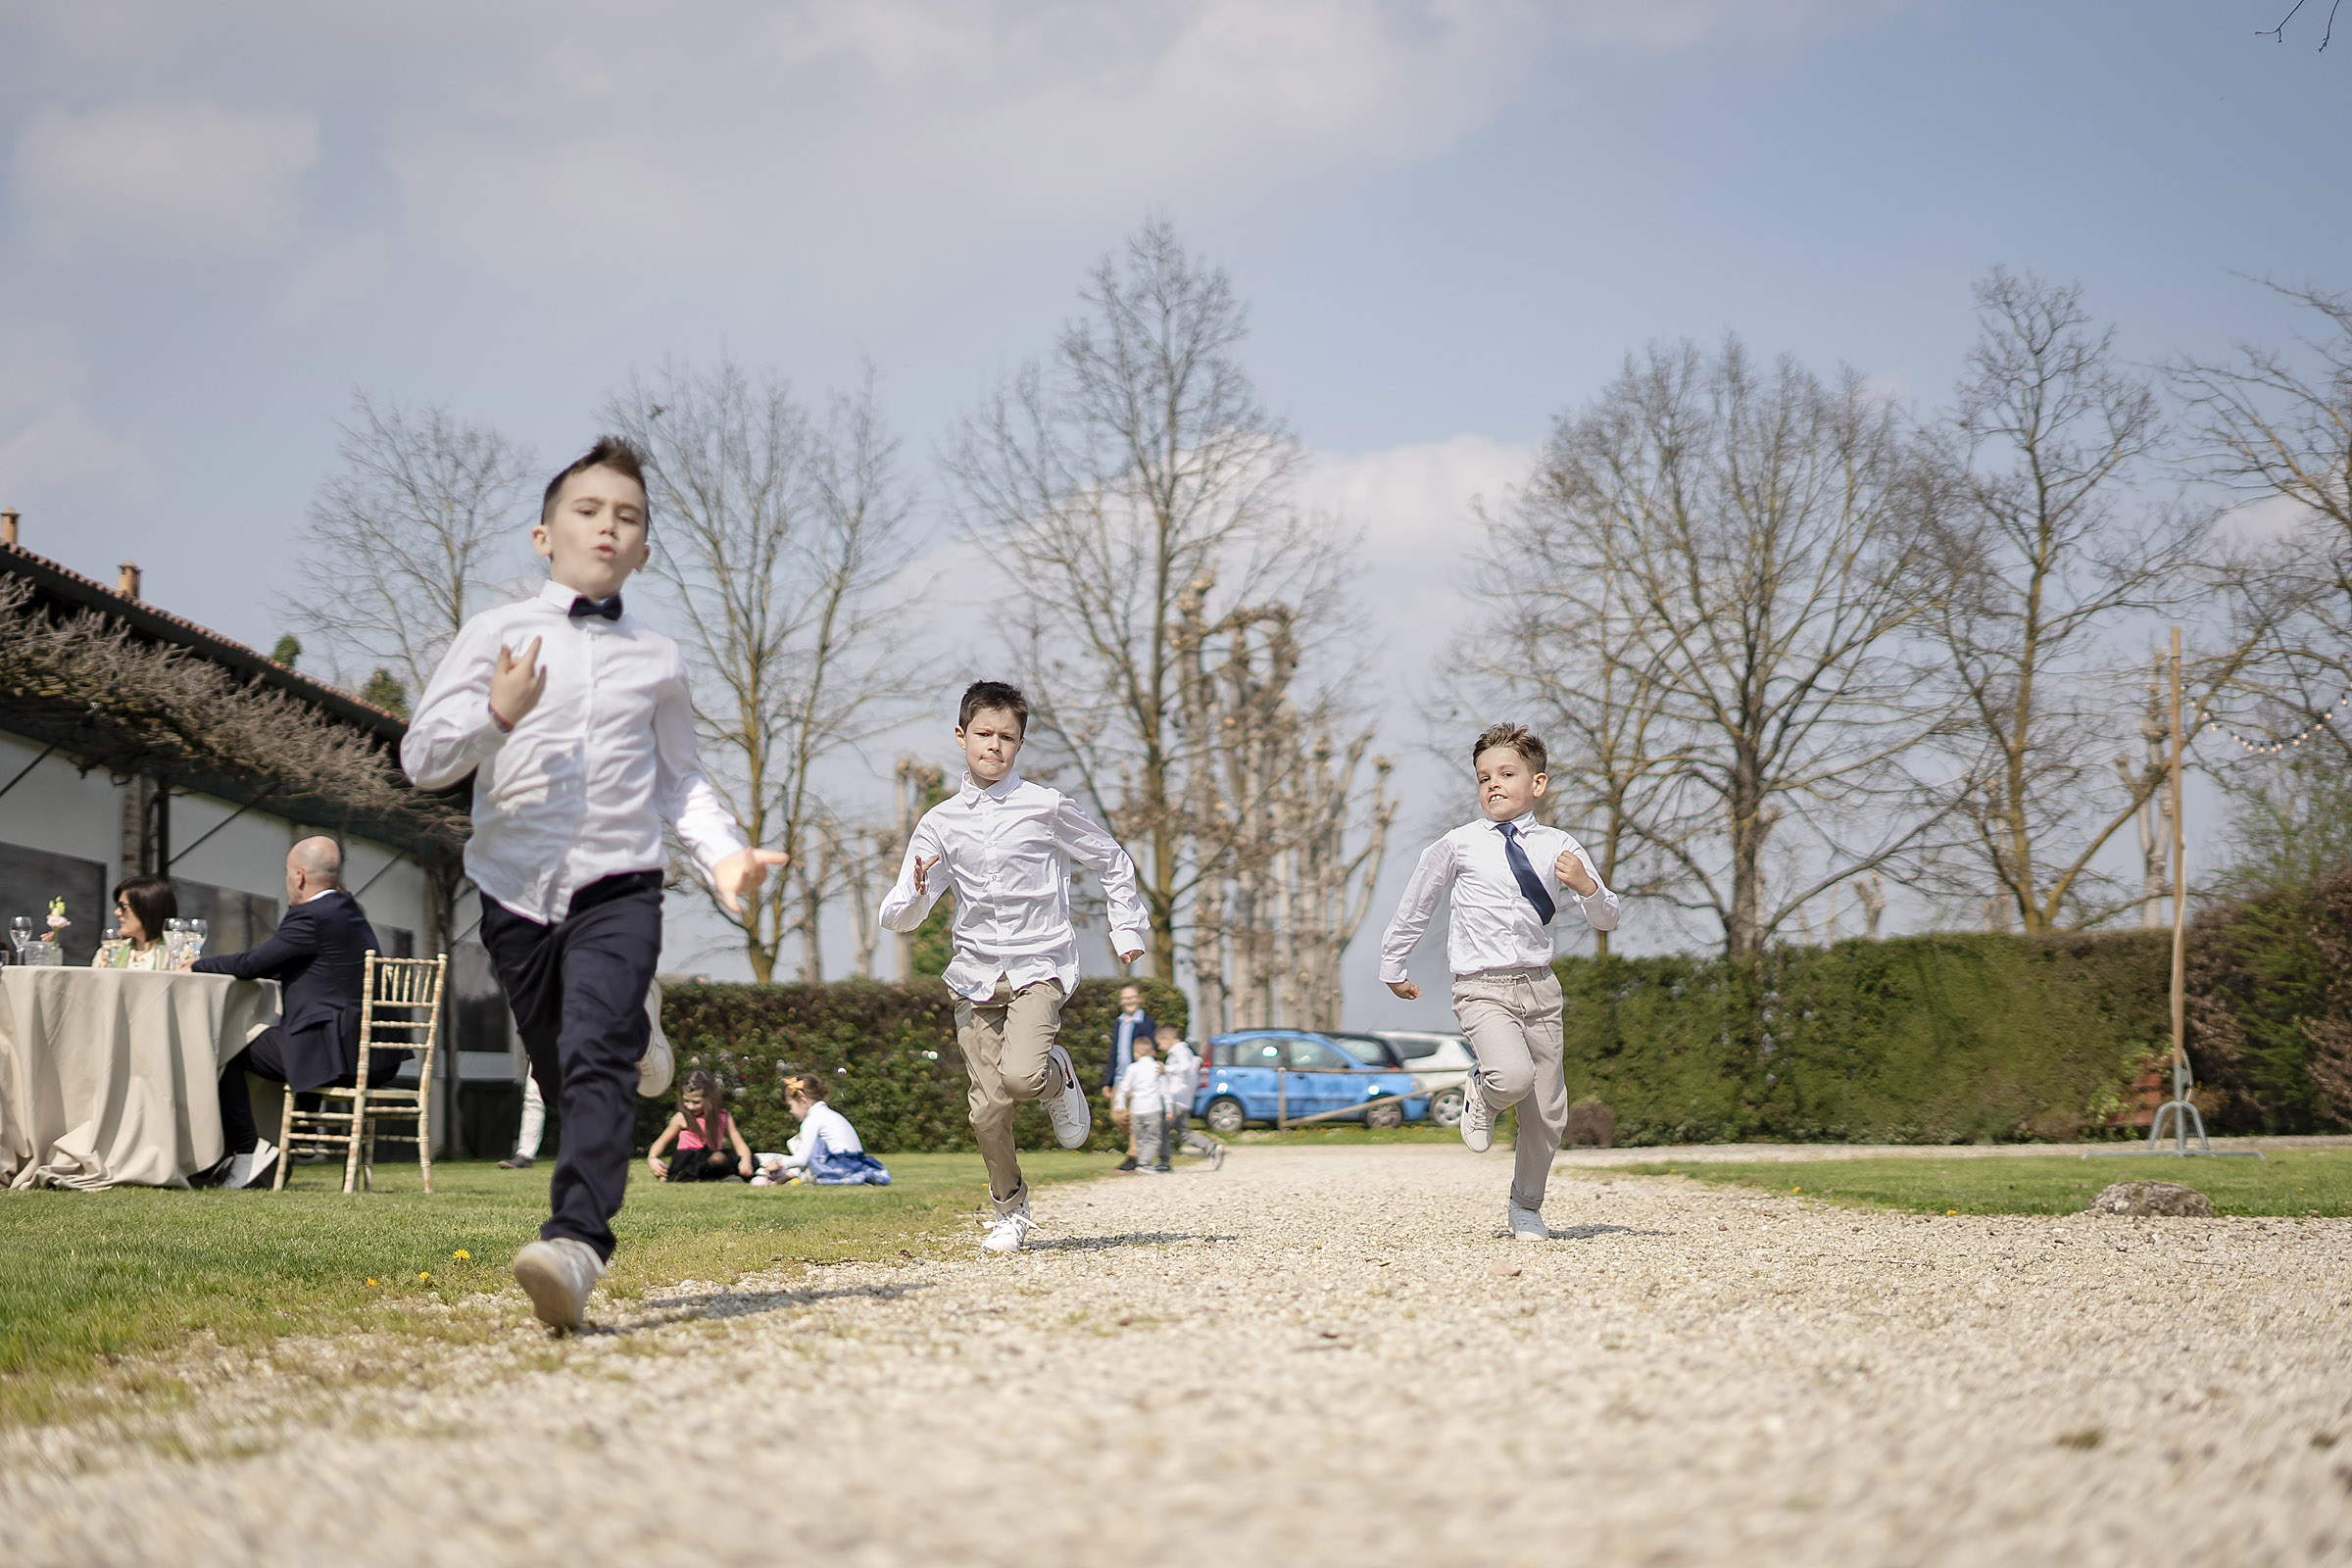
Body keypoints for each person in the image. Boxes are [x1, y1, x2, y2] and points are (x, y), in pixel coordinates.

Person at [403, 437, 787, 1334]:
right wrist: (495, 717)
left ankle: (576, 1245)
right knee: (566, 1069)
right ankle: (638, 1036)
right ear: (545, 536)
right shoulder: (491, 636)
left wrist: (724, 854)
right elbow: (421, 758)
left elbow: (680, 781)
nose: (607, 527)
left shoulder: (659, 658)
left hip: (621, 885)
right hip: (514, 894)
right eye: (588, 510)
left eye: (628, 517)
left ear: (644, 549)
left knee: (596, 1056)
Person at [879, 679, 1150, 1254]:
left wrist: (1126, 927)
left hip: (1038, 965)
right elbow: (902, 917)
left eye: (1008, 737)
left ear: (1020, 745)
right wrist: (915, 895)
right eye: (984, 735)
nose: (994, 747)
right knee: (986, 1111)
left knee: (1022, 1078)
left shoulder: (1046, 806)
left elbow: (1112, 859)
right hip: (974, 976)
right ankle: (1011, 1209)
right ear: (962, 736)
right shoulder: (940, 822)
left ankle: (1058, 1078)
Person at [1377, 723, 1620, 1241]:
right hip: (1481, 987)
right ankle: (1483, 1091)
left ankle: (1525, 1207)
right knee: (1510, 1077)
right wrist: (1393, 966)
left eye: (1507, 774)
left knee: (1548, 1115)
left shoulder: (1560, 845)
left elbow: (1606, 918)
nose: (1493, 784)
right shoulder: (1458, 844)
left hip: (1540, 988)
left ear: (1538, 784)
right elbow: (1416, 904)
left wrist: (1588, 887)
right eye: (1484, 777)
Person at [189, 838, 383, 1192]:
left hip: (333, 1052)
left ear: (298, 876)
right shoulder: (349, 911)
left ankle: (249, 1151)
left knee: (227, 1047)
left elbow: (253, 965)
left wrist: (197, 964)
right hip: (374, 1053)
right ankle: (302, 1134)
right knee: (274, 1036)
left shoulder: (311, 916)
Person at [753, 1073, 890, 1186]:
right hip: (855, 1164)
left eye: (791, 1106)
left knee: (795, 1148)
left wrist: (777, 1164)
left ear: (803, 1101)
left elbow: (802, 1159)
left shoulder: (812, 1120)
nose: (791, 1111)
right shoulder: (831, 1115)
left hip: (838, 1166)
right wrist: (779, 1182)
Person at [647, 1070, 752, 1182]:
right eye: (686, 1101)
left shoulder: (723, 1116)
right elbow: (662, 1141)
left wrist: (746, 1160)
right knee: (707, 1161)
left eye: (696, 1102)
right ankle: (686, 1177)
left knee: (719, 1158)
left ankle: (717, 1177)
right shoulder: (682, 1118)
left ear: (709, 1099)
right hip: (689, 1160)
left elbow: (739, 1143)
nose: (690, 1107)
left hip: (712, 1159)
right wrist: (652, 1158)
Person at [1153, 1023, 1223, 1169]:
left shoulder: (1179, 1051)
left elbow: (1184, 1067)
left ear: (1169, 1038)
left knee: (1163, 1130)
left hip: (1176, 1098)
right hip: (1185, 1100)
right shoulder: (1187, 1052)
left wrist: (1166, 1069)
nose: (1160, 1048)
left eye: (1160, 1043)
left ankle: (1165, 1162)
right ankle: (1211, 1147)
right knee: (1184, 1133)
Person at [94, 873, 175, 970]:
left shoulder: (177, 955)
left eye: (123, 907)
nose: (116, 912)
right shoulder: (108, 952)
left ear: (147, 908)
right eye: (117, 906)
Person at [1110, 1028, 1163, 1174]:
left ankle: (1141, 1162)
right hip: (1152, 1108)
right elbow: (1162, 1088)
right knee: (1152, 1139)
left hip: (1136, 1109)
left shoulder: (1132, 1068)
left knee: (1139, 1138)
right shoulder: (1156, 1067)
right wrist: (1168, 1107)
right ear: (1153, 1052)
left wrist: (1120, 1104)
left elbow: (1124, 1088)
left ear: (1135, 1054)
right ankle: (1144, 1163)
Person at [1104, 982, 1156, 1100]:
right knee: (1117, 1115)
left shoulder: (1146, 1023)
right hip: (1120, 1080)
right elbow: (1114, 1053)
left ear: (1140, 999)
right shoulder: (1119, 1022)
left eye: (1132, 997)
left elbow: (1149, 1051)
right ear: (1121, 1001)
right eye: (1125, 998)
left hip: (1138, 1082)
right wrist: (1108, 1082)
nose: (1128, 1001)